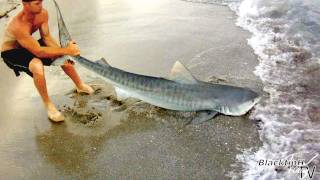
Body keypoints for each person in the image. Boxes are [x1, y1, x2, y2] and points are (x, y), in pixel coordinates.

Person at [0, 0, 94, 122]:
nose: (41, 5)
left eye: (41, 2)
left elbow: (46, 37)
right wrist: (67, 50)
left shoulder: (43, 13)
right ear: (25, 4)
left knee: (61, 55)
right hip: (12, 52)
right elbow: (39, 52)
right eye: (37, 3)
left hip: (29, 45)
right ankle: (49, 106)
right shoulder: (18, 26)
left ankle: (80, 85)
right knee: (37, 65)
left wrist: (63, 52)